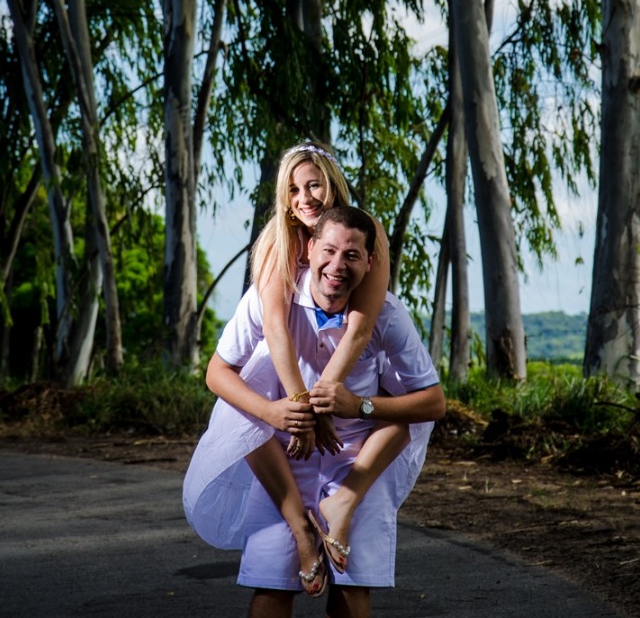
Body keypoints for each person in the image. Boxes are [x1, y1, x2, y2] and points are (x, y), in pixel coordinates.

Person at [183, 205, 445, 617]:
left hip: (357, 462)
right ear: (308, 249)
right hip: (283, 460)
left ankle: (342, 504)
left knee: (352, 592)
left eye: (352, 255)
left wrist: (359, 404)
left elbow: (434, 402)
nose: (337, 265)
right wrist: (272, 412)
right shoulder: (272, 300)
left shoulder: (387, 315)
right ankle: (299, 528)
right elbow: (217, 373)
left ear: (370, 262)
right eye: (329, 251)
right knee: (271, 587)